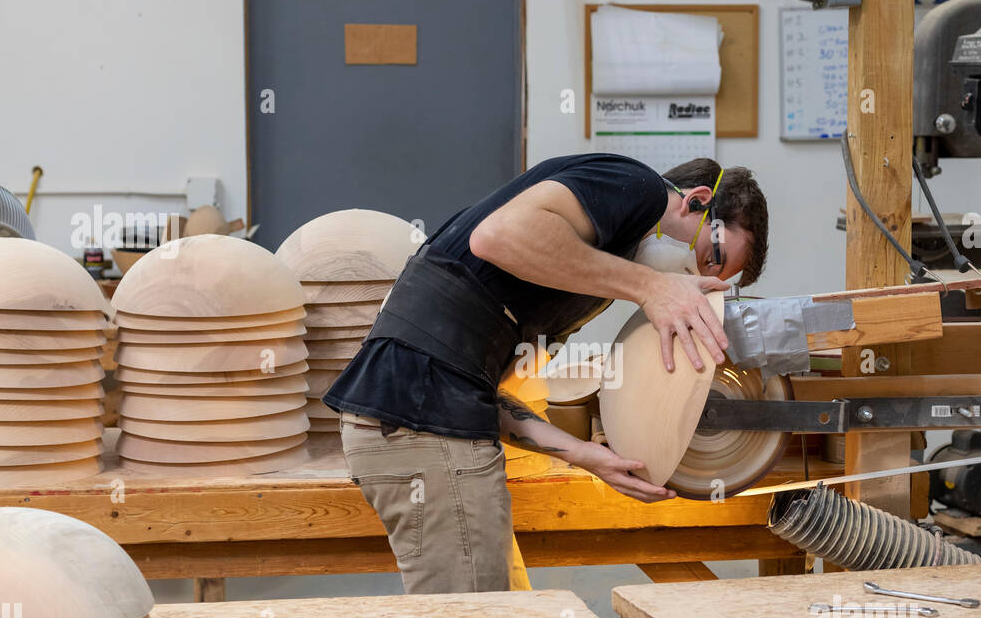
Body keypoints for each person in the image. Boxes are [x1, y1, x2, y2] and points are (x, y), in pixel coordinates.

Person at [325, 154, 769, 593]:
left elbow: (482, 391)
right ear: (696, 202)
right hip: (420, 427)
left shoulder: (579, 281)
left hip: (425, 423)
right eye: (711, 257)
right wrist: (651, 286)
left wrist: (582, 454)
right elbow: (496, 236)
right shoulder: (636, 185)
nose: (692, 278)